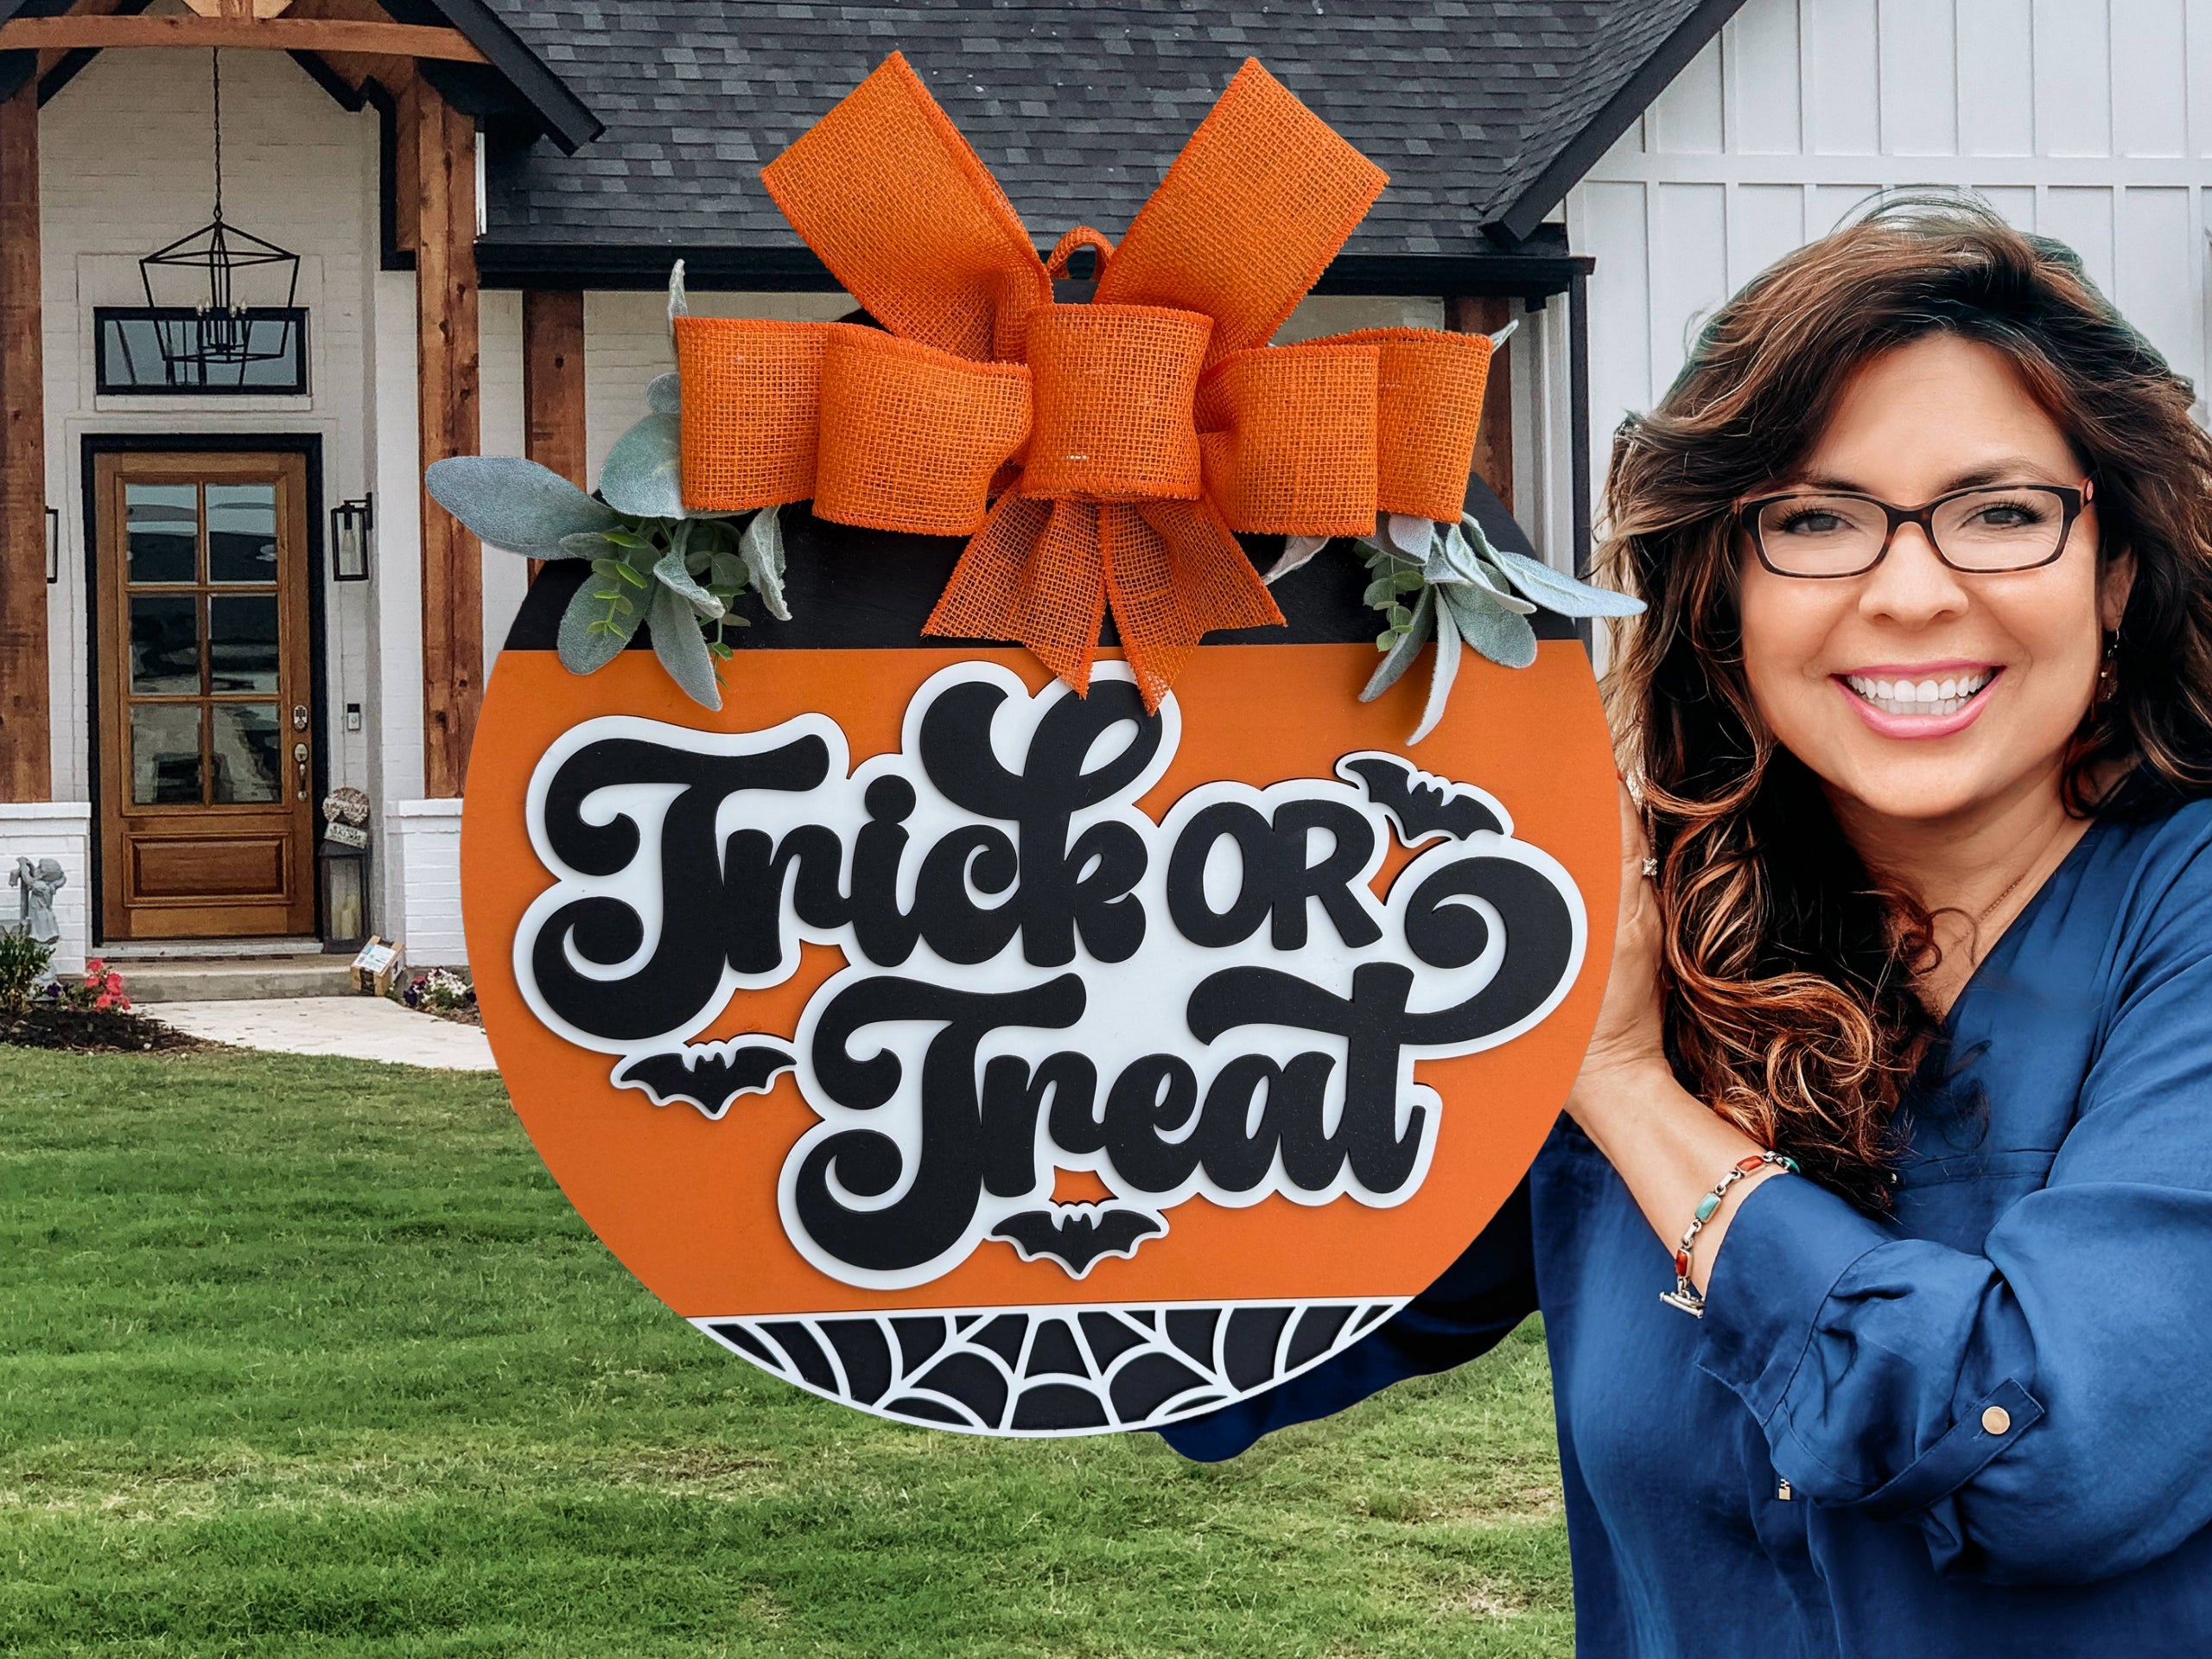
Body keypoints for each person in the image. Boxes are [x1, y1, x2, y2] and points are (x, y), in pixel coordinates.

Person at [1160, 196, 2212, 1656]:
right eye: (1816, 521)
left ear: (2117, 576)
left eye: (2002, 514)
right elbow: (1228, 1339)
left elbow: (2050, 1459)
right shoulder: (1646, 928)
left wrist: (1625, 1088)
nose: (1913, 593)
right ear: (1722, 598)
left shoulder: (2180, 925)